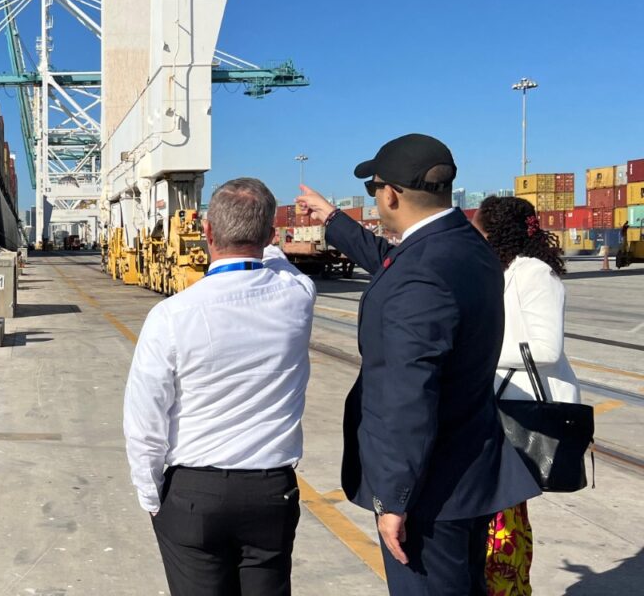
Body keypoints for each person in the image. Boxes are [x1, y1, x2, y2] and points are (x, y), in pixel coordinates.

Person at [296, 134, 540, 595]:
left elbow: (406, 396)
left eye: (374, 189)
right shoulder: (468, 247)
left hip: (430, 494)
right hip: (472, 472)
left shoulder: (422, 274)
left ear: (389, 194)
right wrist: (333, 219)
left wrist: (393, 499)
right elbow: (395, 262)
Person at [124, 178, 316, 595]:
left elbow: (145, 419)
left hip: (194, 494)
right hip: (270, 492)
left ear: (207, 231)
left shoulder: (170, 316)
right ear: (269, 236)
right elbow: (281, 262)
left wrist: (151, 495)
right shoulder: (298, 295)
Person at [473, 195, 581, 596]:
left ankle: (507, 586)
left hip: (525, 409)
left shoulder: (535, 274)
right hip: (501, 402)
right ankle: (505, 585)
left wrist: (476, 351)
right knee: (502, 512)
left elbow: (547, 348)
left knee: (503, 511)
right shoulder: (504, 271)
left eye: (479, 229)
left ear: (495, 232)